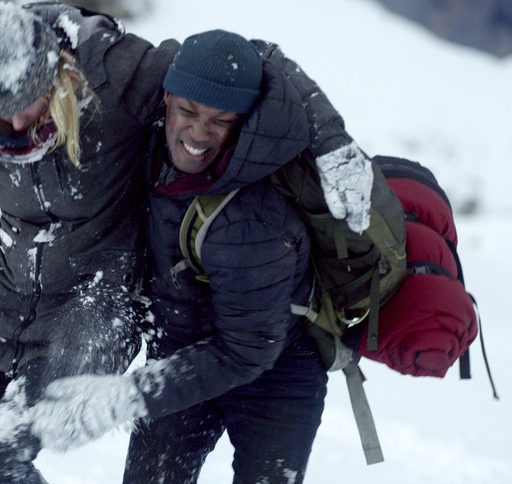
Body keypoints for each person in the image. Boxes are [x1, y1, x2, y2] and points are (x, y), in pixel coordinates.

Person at [31, 30, 339, 483]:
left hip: (275, 375)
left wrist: (127, 396)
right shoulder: (150, 142)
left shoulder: (253, 218)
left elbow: (246, 351)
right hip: (181, 351)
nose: (198, 133)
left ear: (245, 120)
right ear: (167, 98)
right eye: (188, 112)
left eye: (220, 121)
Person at [0, 0, 180, 484]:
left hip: (89, 317)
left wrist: (329, 142)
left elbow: (229, 75)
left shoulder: (118, 75)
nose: (16, 126)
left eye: (25, 106)